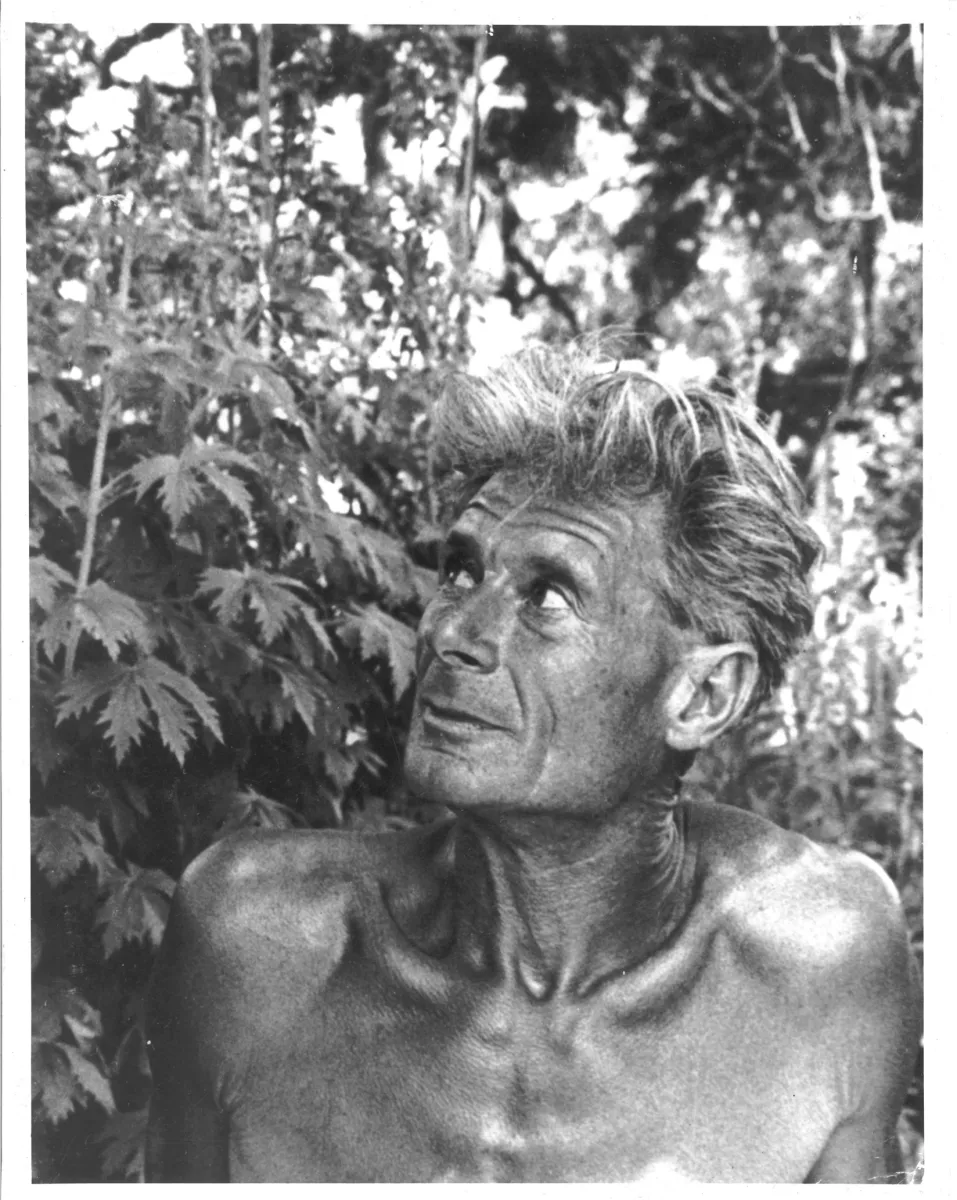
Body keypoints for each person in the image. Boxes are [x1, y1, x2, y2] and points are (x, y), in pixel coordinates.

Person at [145, 345, 920, 1183]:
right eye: (462, 570)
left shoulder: (816, 964)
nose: (451, 632)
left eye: (547, 596)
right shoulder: (259, 946)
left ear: (700, 698)